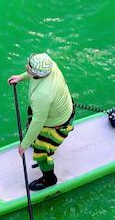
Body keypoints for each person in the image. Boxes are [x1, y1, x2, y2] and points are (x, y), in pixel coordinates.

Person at [7, 53, 75, 190]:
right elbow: (33, 73)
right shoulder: (51, 66)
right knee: (33, 118)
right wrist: (21, 77)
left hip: (55, 125)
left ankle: (49, 179)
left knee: (42, 155)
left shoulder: (42, 95)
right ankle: (35, 143)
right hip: (64, 109)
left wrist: (24, 145)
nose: (27, 66)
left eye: (30, 67)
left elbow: (37, 123)